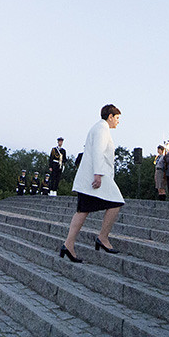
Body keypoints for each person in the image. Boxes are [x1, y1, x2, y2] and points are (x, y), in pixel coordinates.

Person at [61, 104, 124, 263]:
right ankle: (102, 238)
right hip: (96, 176)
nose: (118, 122)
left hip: (91, 177)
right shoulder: (102, 128)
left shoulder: (98, 127)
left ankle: (68, 245)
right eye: (117, 118)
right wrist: (98, 174)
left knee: (83, 210)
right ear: (110, 116)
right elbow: (98, 150)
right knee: (116, 202)